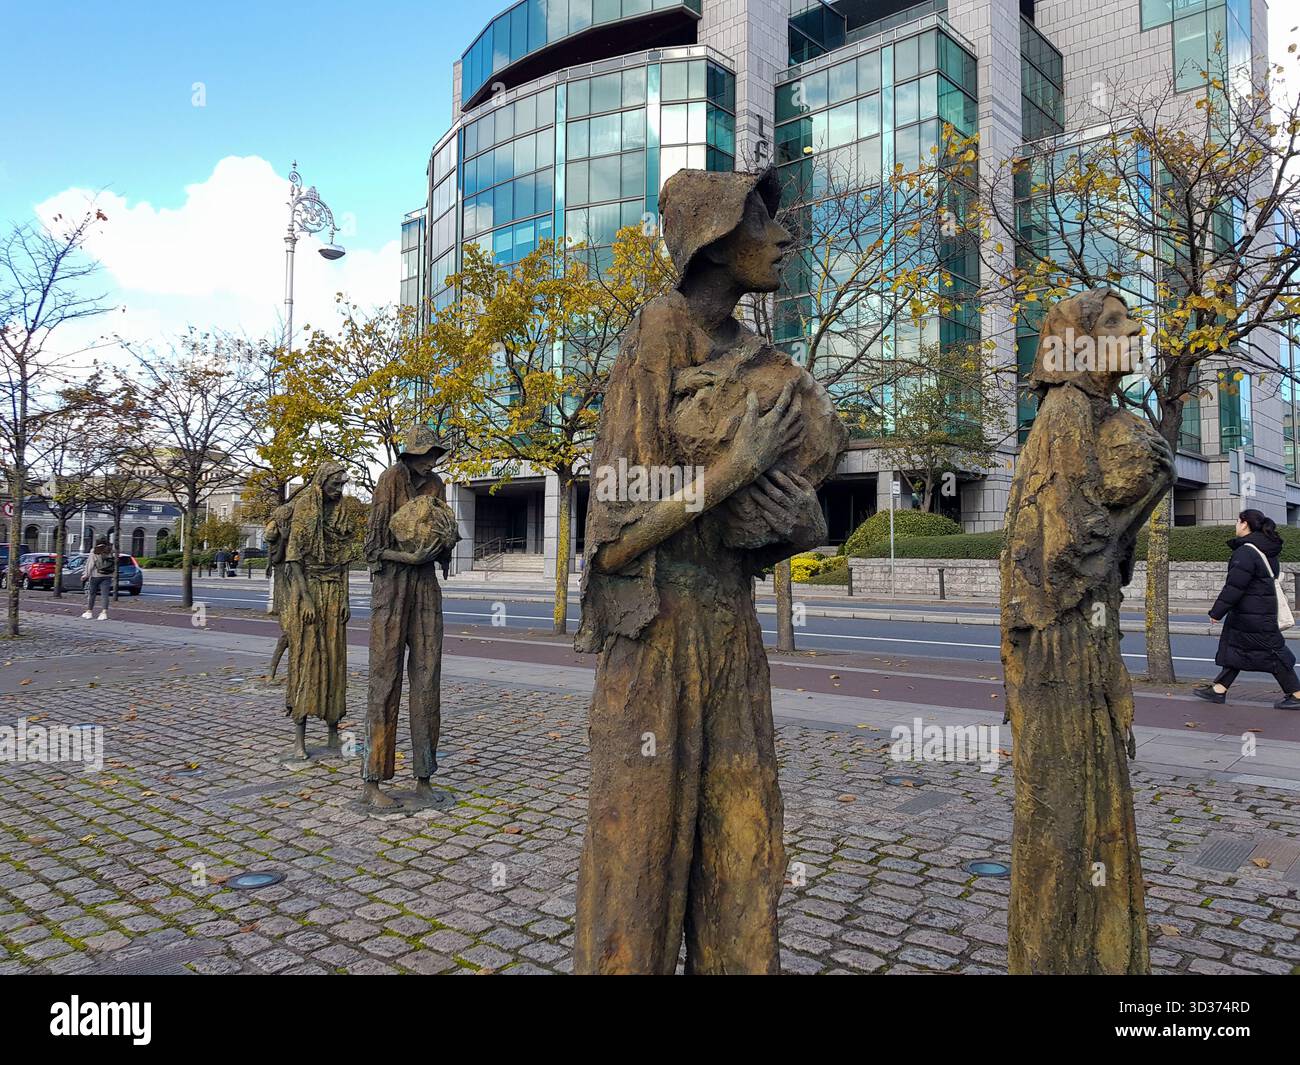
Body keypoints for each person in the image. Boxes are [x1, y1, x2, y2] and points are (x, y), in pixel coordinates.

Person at [572, 168, 845, 974]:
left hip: (730, 635)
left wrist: (791, 517)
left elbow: (799, 501)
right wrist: (729, 475)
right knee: (637, 875)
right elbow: (615, 539)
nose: (785, 237)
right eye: (765, 222)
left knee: (744, 859)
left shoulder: (769, 363)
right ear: (718, 242)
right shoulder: (658, 332)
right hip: (653, 640)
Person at [361, 424, 457, 808]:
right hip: (392, 587)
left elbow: (443, 533)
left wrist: (444, 545)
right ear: (410, 454)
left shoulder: (437, 486)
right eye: (426, 453)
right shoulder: (389, 479)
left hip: (425, 586)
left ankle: (424, 775)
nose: (431, 460)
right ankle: (372, 781)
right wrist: (409, 557)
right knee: (384, 678)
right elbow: (372, 548)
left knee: (427, 677)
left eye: (435, 453)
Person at [282, 462, 357, 758]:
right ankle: (299, 737)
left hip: (335, 593)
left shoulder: (342, 510)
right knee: (306, 660)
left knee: (335, 662)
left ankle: (332, 732)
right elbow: (294, 559)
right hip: (309, 592)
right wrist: (308, 600)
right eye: (335, 484)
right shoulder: (304, 507)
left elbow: (345, 562)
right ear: (322, 482)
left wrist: (347, 598)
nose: (339, 490)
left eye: (342, 485)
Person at [1195, 509, 1300, 710]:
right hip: (1254, 611)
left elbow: (1235, 586)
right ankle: (1219, 689)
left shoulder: (1246, 552)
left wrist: (1216, 612)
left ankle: (1296, 693)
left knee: (1273, 652)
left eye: (1237, 521)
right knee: (1236, 649)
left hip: (1254, 614)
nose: (1236, 525)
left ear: (1244, 524)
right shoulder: (1265, 549)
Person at [81, 537, 116, 620]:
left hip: (95, 575)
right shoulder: (111, 550)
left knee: (92, 594)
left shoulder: (94, 550)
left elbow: (90, 564)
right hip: (107, 576)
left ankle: (89, 612)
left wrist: (86, 575)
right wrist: (114, 575)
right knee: (105, 595)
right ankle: (104, 613)